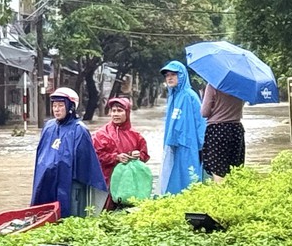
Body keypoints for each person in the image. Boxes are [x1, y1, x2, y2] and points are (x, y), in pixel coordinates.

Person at [30, 87, 107, 217]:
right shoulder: (48, 127)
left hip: (69, 184)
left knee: (68, 215)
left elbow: (85, 164)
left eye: (61, 105)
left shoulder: (79, 130)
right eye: (54, 105)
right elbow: (41, 156)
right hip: (46, 181)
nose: (56, 109)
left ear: (70, 107)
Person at [92, 97, 150, 209]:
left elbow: (145, 155)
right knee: (105, 212)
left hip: (129, 183)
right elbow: (95, 156)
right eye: (113, 111)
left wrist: (138, 155)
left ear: (127, 113)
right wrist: (115, 158)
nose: (115, 114)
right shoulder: (101, 134)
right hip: (106, 182)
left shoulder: (136, 136)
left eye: (119, 111)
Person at [159, 61, 206, 194]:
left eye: (173, 74)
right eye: (167, 75)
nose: (169, 78)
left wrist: (203, 146)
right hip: (173, 145)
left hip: (188, 145)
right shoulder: (173, 96)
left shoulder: (190, 96)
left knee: (188, 179)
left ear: (181, 76)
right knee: (171, 180)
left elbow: (200, 121)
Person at [201, 83, 245, 183]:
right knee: (234, 169)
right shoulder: (241, 85)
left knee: (218, 169)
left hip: (217, 130)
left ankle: (220, 192)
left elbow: (204, 112)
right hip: (237, 129)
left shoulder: (213, 85)